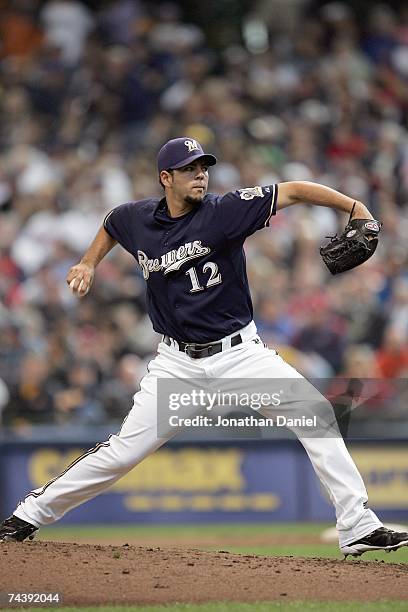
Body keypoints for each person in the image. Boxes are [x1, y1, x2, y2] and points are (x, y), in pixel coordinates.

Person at [1, 137, 407, 559]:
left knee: (317, 414)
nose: (201, 175)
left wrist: (355, 207)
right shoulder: (136, 218)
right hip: (177, 365)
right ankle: (28, 515)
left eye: (203, 167)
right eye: (190, 168)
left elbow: (295, 190)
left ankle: (357, 525)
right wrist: (88, 262)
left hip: (239, 355)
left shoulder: (225, 210)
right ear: (166, 178)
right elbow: (110, 223)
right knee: (123, 453)